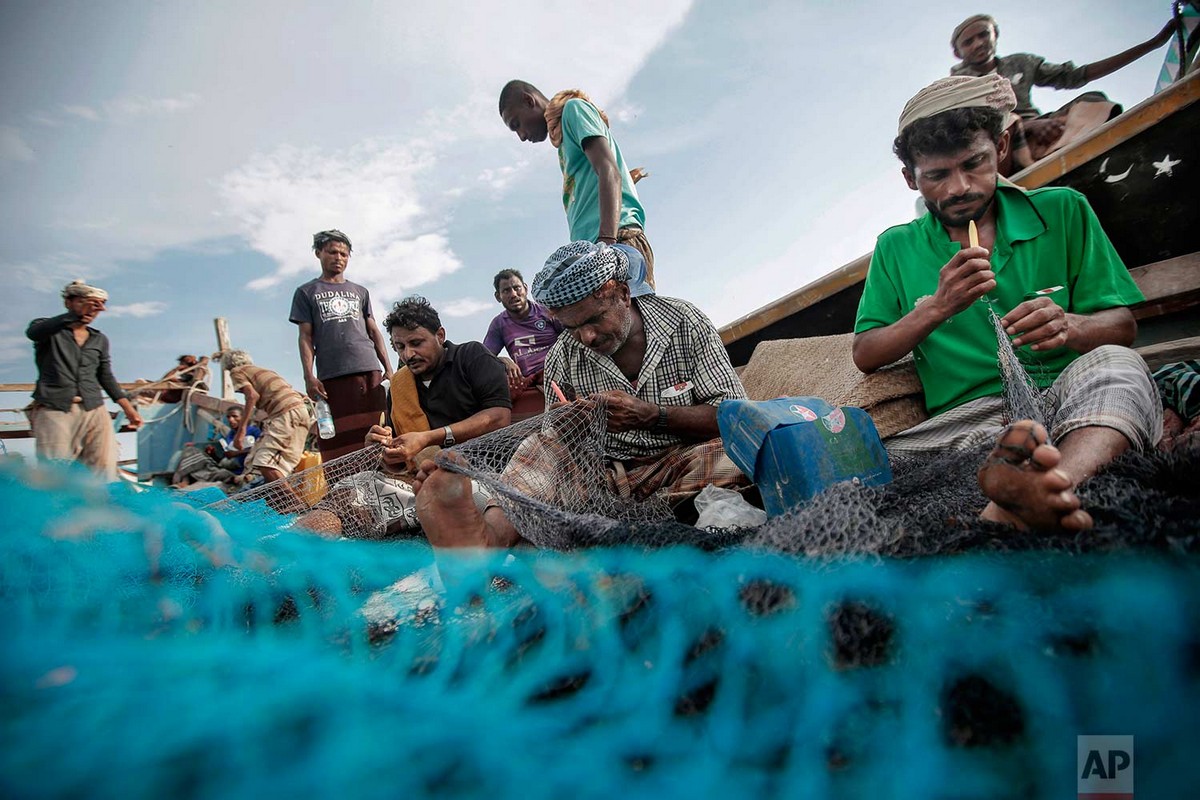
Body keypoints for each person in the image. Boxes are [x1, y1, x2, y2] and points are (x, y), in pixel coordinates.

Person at [851, 74, 1162, 533]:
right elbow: (866, 353)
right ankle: (1021, 482)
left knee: (1119, 367)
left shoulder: (1062, 209)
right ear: (909, 179)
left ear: (1000, 147)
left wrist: (1070, 326)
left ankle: (1041, 492)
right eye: (936, 175)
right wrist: (935, 307)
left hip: (1068, 395)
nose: (959, 188)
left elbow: (1122, 327)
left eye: (974, 164)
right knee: (870, 459)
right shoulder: (895, 247)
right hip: (969, 421)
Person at [413, 241, 748, 549]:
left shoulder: (683, 322)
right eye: (572, 328)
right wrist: (571, 425)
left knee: (740, 452)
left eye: (595, 320)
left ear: (622, 294)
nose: (586, 336)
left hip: (686, 461)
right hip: (608, 480)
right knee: (541, 447)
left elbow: (735, 416)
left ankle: (661, 522)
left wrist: (652, 415)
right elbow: (559, 443)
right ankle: (489, 541)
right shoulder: (563, 355)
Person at [297, 296, 512, 537]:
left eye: (416, 343)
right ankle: (288, 554)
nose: (408, 354)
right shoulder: (399, 385)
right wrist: (384, 449)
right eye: (399, 347)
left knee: (489, 511)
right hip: (418, 481)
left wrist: (428, 438)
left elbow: (499, 417)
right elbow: (402, 457)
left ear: (440, 335)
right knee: (348, 495)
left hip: (482, 478)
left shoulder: (471, 356)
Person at [949, 13, 1178, 171]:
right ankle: (1036, 166)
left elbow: (1078, 75)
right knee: (1009, 124)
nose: (978, 43)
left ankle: (1062, 152)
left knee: (1094, 101)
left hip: (1044, 126)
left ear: (994, 35)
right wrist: (1026, 127)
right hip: (1004, 141)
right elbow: (969, 129)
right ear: (959, 52)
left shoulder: (1020, 63)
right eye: (969, 42)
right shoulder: (958, 85)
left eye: (983, 35)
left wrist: (1153, 44)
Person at [498, 80, 657, 287]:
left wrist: (606, 245)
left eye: (516, 124)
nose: (520, 136)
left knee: (634, 317)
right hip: (593, 249)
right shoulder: (563, 141)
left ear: (529, 101)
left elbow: (609, 170)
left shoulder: (573, 109)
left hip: (615, 240)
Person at [290, 229, 393, 461]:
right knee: (338, 438)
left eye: (344, 254)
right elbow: (305, 336)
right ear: (318, 253)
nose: (339, 258)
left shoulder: (360, 291)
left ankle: (383, 481)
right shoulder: (307, 292)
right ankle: (343, 491)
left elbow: (373, 330)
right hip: (332, 375)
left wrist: (388, 367)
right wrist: (308, 376)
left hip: (368, 369)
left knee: (378, 429)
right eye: (332, 252)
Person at [25, 280, 144, 480]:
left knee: (103, 468)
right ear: (68, 302)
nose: (91, 311)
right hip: (55, 408)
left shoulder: (99, 339)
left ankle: (99, 508)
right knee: (54, 471)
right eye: (85, 303)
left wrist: (129, 410)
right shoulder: (47, 330)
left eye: (96, 306)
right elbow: (33, 333)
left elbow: (105, 375)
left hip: (94, 408)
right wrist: (74, 316)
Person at [220, 350, 312, 491]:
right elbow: (294, 392)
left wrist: (241, 431)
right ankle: (285, 502)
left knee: (264, 463)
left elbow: (252, 396)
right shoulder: (264, 371)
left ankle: (293, 504)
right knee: (280, 465)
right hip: (301, 410)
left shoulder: (237, 371)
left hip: (285, 413)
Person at [483, 268, 565, 419]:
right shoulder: (499, 324)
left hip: (559, 372)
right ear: (498, 296)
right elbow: (484, 359)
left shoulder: (546, 311)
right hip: (527, 380)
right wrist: (504, 360)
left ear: (525, 288)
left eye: (516, 288)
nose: (513, 294)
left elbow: (571, 336)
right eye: (506, 291)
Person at [218, 405, 260, 474]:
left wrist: (237, 453)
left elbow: (261, 448)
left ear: (243, 418)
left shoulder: (253, 431)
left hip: (247, 472)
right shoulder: (230, 434)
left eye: (235, 416)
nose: (230, 420)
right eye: (228, 417)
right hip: (231, 471)